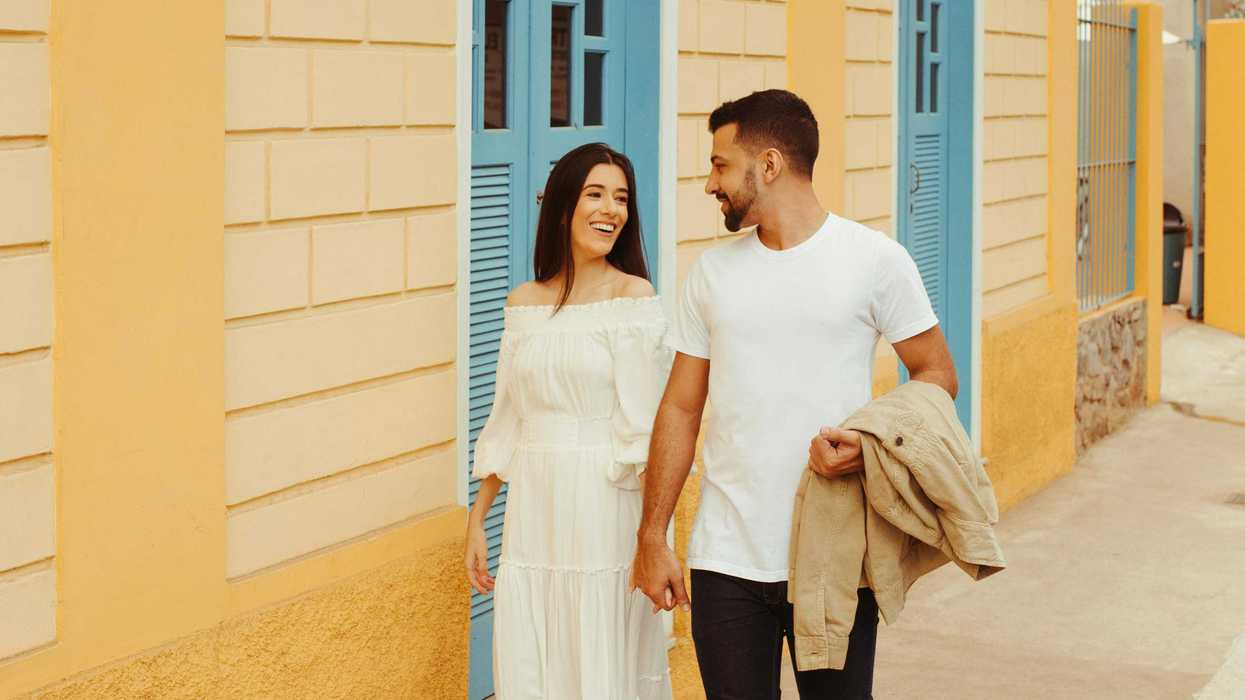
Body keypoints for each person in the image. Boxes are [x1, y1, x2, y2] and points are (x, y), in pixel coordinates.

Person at [630, 89, 959, 699]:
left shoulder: (876, 261)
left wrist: (868, 446)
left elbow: (937, 375)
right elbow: (679, 407)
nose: (710, 184)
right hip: (726, 556)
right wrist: (653, 537)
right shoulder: (712, 274)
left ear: (771, 164)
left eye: (720, 164)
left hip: (833, 554)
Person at [465, 142, 674, 700]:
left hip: (604, 502)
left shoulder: (634, 298)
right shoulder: (523, 302)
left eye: (622, 198)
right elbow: (508, 419)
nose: (612, 209)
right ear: (563, 206)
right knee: (537, 655)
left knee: (601, 647)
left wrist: (652, 539)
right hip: (535, 506)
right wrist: (478, 518)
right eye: (596, 194)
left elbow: (647, 430)